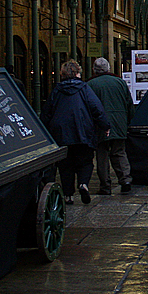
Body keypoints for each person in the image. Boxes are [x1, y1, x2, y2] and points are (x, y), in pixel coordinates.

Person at [42, 60, 110, 204]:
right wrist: (105, 126)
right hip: (83, 132)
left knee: (65, 165)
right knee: (85, 161)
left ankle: (68, 195)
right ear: (78, 73)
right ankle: (83, 184)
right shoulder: (84, 88)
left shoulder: (57, 90)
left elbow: (47, 113)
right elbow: (96, 108)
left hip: (61, 134)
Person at [88, 57, 133, 196]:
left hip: (99, 125)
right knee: (119, 152)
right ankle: (125, 180)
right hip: (119, 122)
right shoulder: (119, 82)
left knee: (101, 155)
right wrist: (128, 122)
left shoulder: (90, 84)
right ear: (108, 68)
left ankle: (105, 185)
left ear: (94, 70)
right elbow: (129, 104)